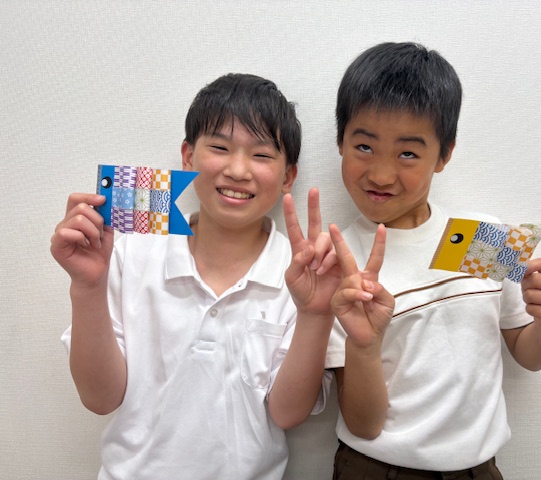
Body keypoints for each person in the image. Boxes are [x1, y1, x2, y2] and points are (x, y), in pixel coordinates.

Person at [50, 73, 339, 480]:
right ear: (187, 156)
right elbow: (99, 398)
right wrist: (87, 286)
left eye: (261, 155)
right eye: (219, 148)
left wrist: (315, 314)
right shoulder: (133, 250)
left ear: (288, 176)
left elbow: (287, 414)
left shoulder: (301, 274)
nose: (238, 170)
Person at [325, 42, 541, 479]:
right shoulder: (335, 263)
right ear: (340, 142)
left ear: (444, 155)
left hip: (478, 469)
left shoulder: (481, 237)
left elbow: (529, 354)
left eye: (407, 153)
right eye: (364, 146)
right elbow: (364, 424)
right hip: (374, 468)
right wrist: (364, 344)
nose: (380, 174)